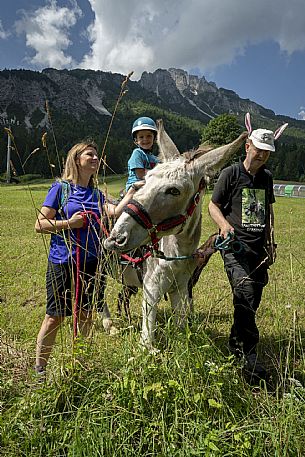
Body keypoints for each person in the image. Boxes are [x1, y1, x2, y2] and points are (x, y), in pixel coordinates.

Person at [34, 140, 138, 378]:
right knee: (54, 316)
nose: (95, 158)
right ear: (76, 159)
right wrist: (69, 223)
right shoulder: (61, 189)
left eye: (96, 155)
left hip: (93, 261)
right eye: (89, 154)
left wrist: (132, 191)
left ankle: (79, 364)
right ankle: (39, 369)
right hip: (63, 261)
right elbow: (39, 224)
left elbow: (114, 211)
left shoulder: (96, 193)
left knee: (86, 314)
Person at [208, 114, 288, 383]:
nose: (262, 156)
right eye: (258, 151)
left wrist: (271, 241)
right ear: (247, 147)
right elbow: (213, 205)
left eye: (267, 153)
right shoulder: (231, 173)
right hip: (234, 248)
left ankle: (235, 343)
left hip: (259, 250)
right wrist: (223, 226)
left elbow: (268, 213)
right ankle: (250, 356)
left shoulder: (266, 177)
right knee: (244, 292)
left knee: (251, 301)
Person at [125, 116, 159, 191]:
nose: (145, 139)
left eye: (149, 136)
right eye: (141, 137)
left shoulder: (155, 159)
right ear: (136, 140)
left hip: (150, 185)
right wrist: (158, 174)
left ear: (155, 138)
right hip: (136, 185)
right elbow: (140, 174)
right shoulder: (137, 153)